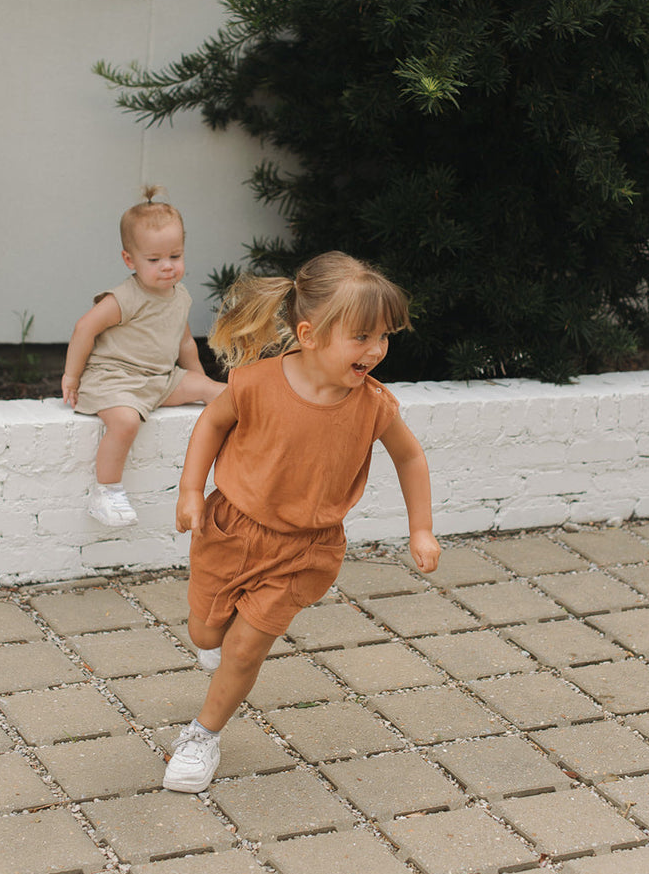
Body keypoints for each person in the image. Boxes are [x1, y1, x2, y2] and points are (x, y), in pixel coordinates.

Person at [163, 250, 442, 792]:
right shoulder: (255, 383)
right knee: (207, 631)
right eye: (361, 337)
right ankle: (214, 646)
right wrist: (191, 490)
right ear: (311, 335)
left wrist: (421, 528)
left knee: (245, 648)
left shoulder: (374, 405)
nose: (377, 350)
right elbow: (210, 425)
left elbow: (410, 457)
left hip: (304, 549)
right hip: (229, 530)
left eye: (384, 337)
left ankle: (203, 735)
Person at [62, 187, 226, 528]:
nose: (167, 267)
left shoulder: (179, 295)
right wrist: (72, 377)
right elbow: (83, 329)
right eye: (154, 260)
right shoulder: (124, 297)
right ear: (129, 260)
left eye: (175, 256)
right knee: (125, 422)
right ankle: (106, 492)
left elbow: (183, 344)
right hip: (114, 379)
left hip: (159, 380)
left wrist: (200, 381)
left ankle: (251, 449)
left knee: (223, 394)